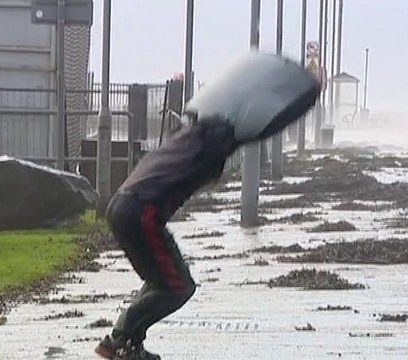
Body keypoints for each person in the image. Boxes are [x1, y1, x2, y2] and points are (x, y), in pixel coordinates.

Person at [94, 53, 319, 360]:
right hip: (141, 212)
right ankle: (120, 341)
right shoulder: (214, 140)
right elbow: (264, 124)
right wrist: (307, 91)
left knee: (161, 281)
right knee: (177, 286)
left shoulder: (191, 133)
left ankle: (126, 342)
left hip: (124, 205)